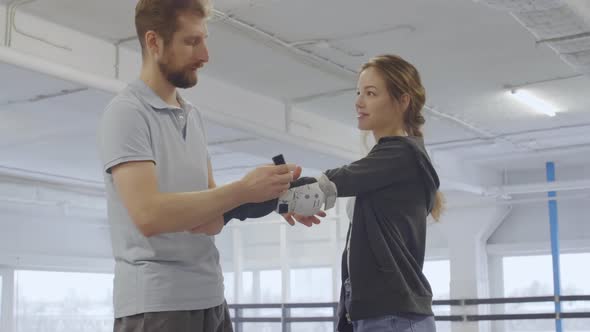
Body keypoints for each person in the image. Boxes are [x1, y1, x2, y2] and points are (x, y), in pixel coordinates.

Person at [96, 1, 299, 331]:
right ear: (154, 42)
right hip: (158, 306)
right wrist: (244, 188)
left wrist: (275, 196)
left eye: (204, 40)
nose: (205, 55)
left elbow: (210, 219)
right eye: (192, 42)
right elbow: (149, 215)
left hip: (211, 300)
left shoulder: (192, 115)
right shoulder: (127, 113)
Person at [284, 54, 444, 332]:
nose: (359, 102)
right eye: (359, 92)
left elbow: (334, 182)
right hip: (374, 313)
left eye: (371, 93)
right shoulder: (393, 159)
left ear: (402, 101)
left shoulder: (402, 153)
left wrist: (259, 193)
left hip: (393, 316)